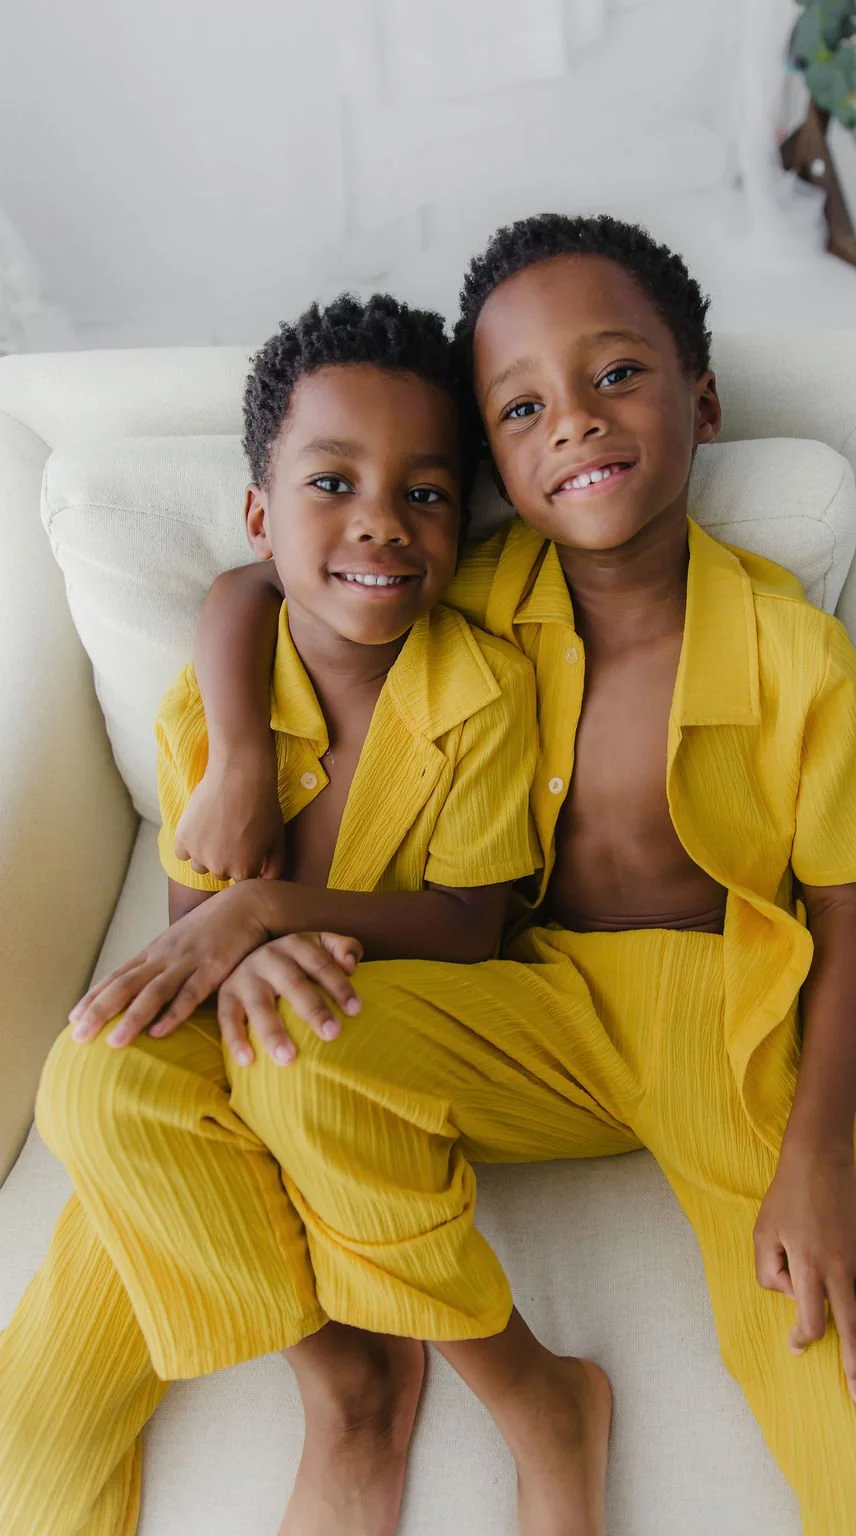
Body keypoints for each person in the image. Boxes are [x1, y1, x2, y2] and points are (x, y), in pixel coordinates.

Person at [157, 214, 856, 1535]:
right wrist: (238, 761)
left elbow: (847, 912)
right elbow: (251, 582)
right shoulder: (461, 590)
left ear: (700, 400)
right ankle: (486, 1383)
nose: (574, 422)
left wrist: (821, 1157)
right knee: (295, 1050)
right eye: (520, 406)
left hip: (727, 1026)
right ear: (494, 457)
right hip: (533, 1000)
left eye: (616, 375)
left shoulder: (796, 652)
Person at [0, 292, 541, 1536]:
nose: (381, 525)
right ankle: (324, 1340)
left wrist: (264, 911)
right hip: (227, 1079)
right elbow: (197, 926)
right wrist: (239, 795)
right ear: (261, 511)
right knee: (84, 1099)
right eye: (332, 482)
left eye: (425, 492)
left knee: (234, 1077)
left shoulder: (483, 691)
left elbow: (472, 926)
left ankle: (359, 1380)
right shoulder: (212, 712)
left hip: (367, 1049)